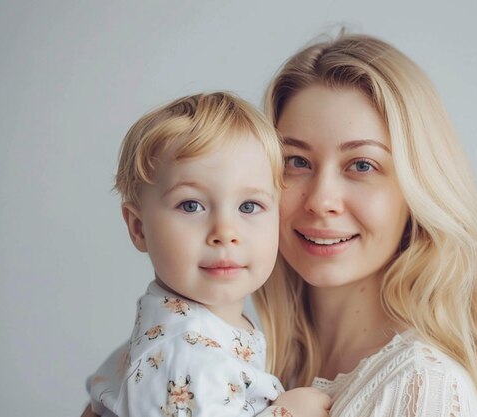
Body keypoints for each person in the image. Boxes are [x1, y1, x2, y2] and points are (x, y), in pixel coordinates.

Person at [252, 33, 477, 417]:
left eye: (362, 165)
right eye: (296, 161)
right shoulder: (259, 366)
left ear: (415, 192)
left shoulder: (423, 389)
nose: (322, 200)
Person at [84, 92, 331, 417]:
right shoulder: (183, 355)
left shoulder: (196, 330)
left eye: (249, 206)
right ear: (139, 227)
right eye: (191, 205)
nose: (225, 232)